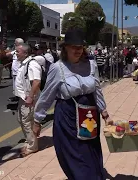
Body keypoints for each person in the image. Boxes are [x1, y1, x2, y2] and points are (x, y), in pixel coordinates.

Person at [33, 29, 112, 179]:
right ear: (65, 48)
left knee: (90, 152)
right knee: (76, 156)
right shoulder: (58, 68)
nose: (78, 50)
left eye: (80, 47)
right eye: (74, 47)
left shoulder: (91, 64)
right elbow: (47, 95)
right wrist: (37, 119)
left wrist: (104, 112)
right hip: (67, 116)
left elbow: (96, 90)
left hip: (89, 114)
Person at [14, 43, 42, 157]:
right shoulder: (23, 64)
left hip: (29, 98)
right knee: (22, 120)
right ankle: (30, 140)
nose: (16, 54)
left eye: (18, 52)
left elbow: (36, 81)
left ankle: (32, 146)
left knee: (27, 121)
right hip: (23, 97)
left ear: (25, 53)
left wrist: (30, 97)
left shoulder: (32, 64)